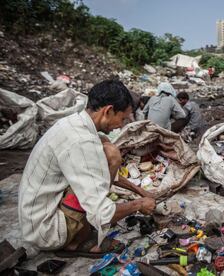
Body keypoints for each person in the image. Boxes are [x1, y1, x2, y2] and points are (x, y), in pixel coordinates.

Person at [18, 80, 156, 258]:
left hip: (36, 217)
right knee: (109, 157)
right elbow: (103, 213)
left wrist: (139, 190)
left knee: (108, 148)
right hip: (47, 231)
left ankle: (79, 229)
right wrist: (138, 204)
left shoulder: (75, 123)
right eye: (122, 118)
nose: (122, 125)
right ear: (108, 111)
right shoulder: (82, 142)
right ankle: (76, 242)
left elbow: (99, 173)